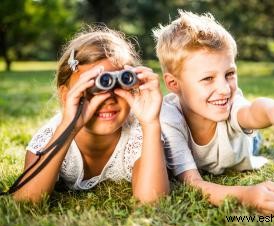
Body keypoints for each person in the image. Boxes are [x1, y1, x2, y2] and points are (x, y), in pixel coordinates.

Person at [153, 10, 274, 214]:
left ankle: (253, 136)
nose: (225, 89)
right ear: (174, 84)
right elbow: (193, 183)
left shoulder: (230, 104)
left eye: (229, 74)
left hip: (241, 144)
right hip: (218, 148)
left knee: (253, 135)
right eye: (208, 78)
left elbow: (251, 112)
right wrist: (247, 196)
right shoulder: (169, 119)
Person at [13, 26, 169, 202]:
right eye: (93, 87)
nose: (108, 99)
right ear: (66, 95)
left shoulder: (139, 135)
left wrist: (150, 124)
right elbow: (26, 200)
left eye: (119, 84)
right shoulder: (49, 137)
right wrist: (69, 128)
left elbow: (152, 200)